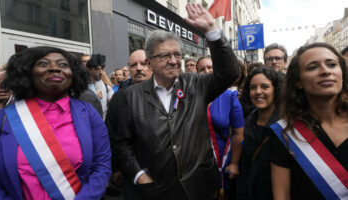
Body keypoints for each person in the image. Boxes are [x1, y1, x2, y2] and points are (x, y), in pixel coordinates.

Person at [107, 3, 240, 200]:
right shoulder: (130, 96)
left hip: (200, 188)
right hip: (155, 191)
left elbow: (230, 72)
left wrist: (212, 32)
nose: (173, 60)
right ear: (150, 62)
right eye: (164, 55)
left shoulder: (196, 84)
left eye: (177, 54)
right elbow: (123, 145)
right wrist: (140, 176)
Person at [0, 46, 111, 199]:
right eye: (43, 64)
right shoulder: (4, 118)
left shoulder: (89, 114)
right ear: (28, 72)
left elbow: (102, 166)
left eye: (63, 65)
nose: (54, 68)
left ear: (74, 74)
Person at [270, 43, 348, 199]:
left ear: (342, 73)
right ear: (298, 81)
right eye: (312, 67)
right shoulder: (285, 133)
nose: (326, 71)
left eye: (332, 64)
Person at [106, 49, 153, 200]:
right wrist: (115, 168)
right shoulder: (119, 98)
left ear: (152, 65)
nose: (139, 68)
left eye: (144, 63)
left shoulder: (167, 93)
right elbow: (110, 134)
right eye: (134, 65)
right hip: (130, 174)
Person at [197, 56, 244, 200]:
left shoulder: (230, 97)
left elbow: (238, 134)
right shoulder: (189, 96)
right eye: (202, 69)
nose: (207, 71)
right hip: (196, 166)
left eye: (210, 67)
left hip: (222, 163)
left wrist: (235, 163)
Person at [238, 67, 284, 200]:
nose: (258, 92)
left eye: (265, 87)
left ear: (276, 90)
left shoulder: (287, 126)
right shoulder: (246, 122)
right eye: (253, 87)